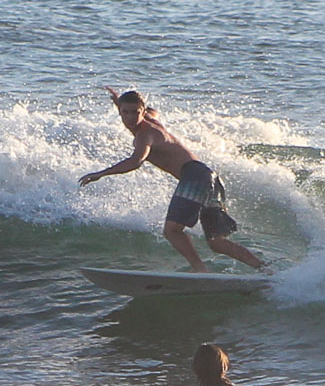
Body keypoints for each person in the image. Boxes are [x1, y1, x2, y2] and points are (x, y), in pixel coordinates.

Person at [80, 87, 266, 273]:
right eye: (124, 112)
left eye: (135, 113)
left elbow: (136, 161)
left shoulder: (145, 135)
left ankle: (199, 270)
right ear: (119, 111)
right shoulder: (151, 119)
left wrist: (102, 173)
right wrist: (118, 100)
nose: (129, 118)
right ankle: (265, 269)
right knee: (216, 242)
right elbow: (151, 111)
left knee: (172, 231)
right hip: (210, 178)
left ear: (142, 112)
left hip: (194, 176)